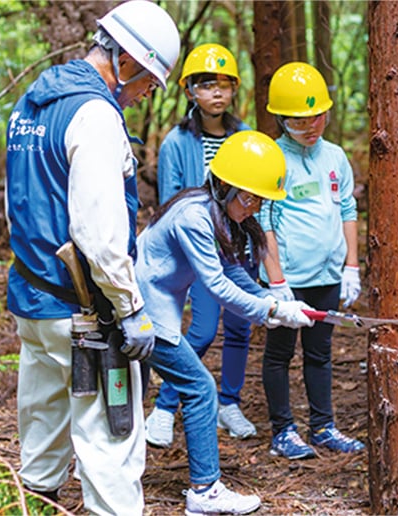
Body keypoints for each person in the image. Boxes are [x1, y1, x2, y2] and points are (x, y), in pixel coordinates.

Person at [4, 1, 179, 514]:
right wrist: (129, 309)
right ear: (124, 59)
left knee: (42, 438)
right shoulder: (97, 115)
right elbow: (99, 234)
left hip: (34, 301)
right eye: (147, 80)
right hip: (84, 313)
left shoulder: (31, 104)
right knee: (111, 450)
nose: (146, 93)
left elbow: (22, 205)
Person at [135, 130, 314, 515]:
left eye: (259, 200)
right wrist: (270, 313)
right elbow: (215, 285)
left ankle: (112, 470)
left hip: (156, 308)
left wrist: (273, 297)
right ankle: (204, 491)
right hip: (144, 311)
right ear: (224, 185)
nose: (253, 206)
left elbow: (233, 272)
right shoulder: (194, 216)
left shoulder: (215, 214)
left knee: (133, 392)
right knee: (200, 388)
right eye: (249, 197)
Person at [145, 43, 257, 448]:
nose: (217, 93)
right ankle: (163, 406)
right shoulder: (177, 141)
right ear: (190, 90)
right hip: (201, 250)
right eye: (207, 85)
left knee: (241, 327)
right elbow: (170, 202)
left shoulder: (244, 136)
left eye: (225, 85)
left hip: (241, 246)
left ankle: (229, 402)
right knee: (203, 330)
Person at [257, 62, 364, 460]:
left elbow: (348, 210)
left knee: (320, 353)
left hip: (328, 276)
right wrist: (277, 283)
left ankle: (323, 426)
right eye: (299, 120)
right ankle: (283, 430)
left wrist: (351, 266)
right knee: (279, 354)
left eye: (317, 115)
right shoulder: (273, 158)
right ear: (282, 120)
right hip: (290, 279)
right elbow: (263, 221)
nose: (311, 126)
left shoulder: (335, 157)